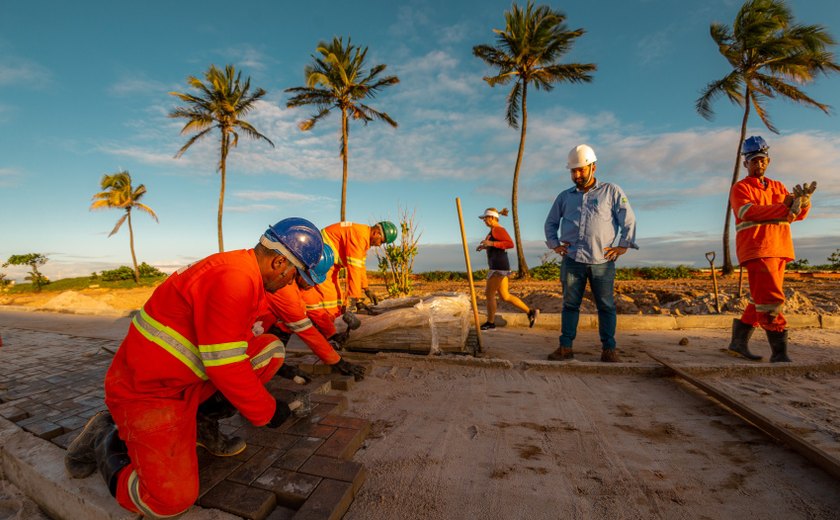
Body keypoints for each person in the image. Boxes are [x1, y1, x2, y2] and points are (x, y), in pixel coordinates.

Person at [64, 218, 324, 518]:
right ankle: (104, 436)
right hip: (149, 392)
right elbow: (226, 366)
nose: (291, 283)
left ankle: (199, 421)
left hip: (182, 381)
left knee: (269, 350)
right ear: (280, 262)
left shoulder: (242, 272)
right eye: (294, 275)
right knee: (169, 501)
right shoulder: (235, 279)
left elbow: (232, 349)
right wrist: (268, 411)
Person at [543, 144, 638, 362]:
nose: (577, 174)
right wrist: (555, 244)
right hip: (572, 260)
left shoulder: (611, 191)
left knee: (606, 305)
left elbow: (628, 219)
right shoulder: (564, 197)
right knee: (569, 304)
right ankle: (565, 347)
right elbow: (550, 223)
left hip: (602, 261)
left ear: (593, 167)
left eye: (581, 169)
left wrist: (623, 245)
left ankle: (609, 349)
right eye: (573, 171)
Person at [727, 136, 815, 363]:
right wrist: (783, 206)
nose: (759, 164)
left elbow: (793, 216)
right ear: (746, 163)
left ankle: (738, 343)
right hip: (757, 250)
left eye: (762, 160)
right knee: (770, 299)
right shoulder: (741, 188)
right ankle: (780, 353)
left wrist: (803, 203)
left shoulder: (778, 187)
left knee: (760, 299)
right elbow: (748, 212)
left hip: (779, 248)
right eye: (754, 160)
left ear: (769, 160)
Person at [264, 243, 366, 381]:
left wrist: (332, 334)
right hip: (256, 330)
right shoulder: (284, 288)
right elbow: (306, 331)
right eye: (310, 279)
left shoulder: (302, 284)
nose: (312, 285)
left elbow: (316, 312)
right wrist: (337, 362)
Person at [476, 207, 539, 330]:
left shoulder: (498, 230)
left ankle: (490, 323)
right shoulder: (493, 230)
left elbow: (509, 243)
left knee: (489, 294)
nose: (483, 221)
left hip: (498, 267)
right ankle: (530, 312)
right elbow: (497, 245)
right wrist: (485, 247)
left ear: (492, 218)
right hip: (500, 266)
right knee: (505, 296)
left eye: (485, 218)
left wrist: (491, 244)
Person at [320, 220, 398, 313]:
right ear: (376, 233)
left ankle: (335, 320)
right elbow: (354, 270)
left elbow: (360, 267)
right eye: (381, 241)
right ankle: (328, 322)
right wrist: (356, 300)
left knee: (338, 298)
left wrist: (366, 289)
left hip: (329, 262)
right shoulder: (359, 236)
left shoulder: (364, 237)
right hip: (322, 261)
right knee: (330, 298)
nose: (378, 245)